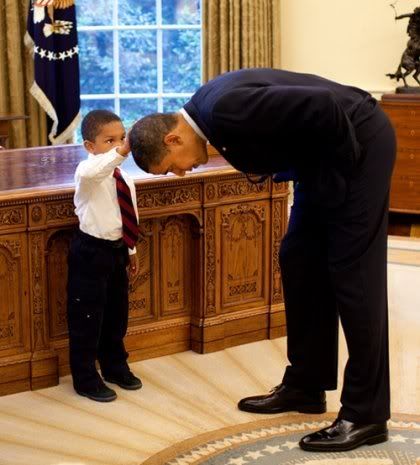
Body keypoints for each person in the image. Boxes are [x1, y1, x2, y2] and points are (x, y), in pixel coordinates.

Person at [127, 68, 396, 452]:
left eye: (171, 165)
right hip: (324, 160)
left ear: (173, 138)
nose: (181, 171)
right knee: (299, 257)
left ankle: (367, 415)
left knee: (354, 275)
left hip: (359, 146)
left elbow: (327, 105)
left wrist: (341, 180)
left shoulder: (225, 109)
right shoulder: (210, 113)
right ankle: (306, 384)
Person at [67, 109, 142, 402]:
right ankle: (85, 378)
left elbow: (128, 213)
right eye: (109, 140)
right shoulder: (87, 173)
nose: (117, 145)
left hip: (117, 251)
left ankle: (115, 365)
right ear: (89, 146)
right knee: (87, 317)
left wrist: (131, 250)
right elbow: (95, 170)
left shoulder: (123, 176)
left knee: (116, 314)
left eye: (121, 138)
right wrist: (122, 151)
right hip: (90, 252)